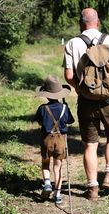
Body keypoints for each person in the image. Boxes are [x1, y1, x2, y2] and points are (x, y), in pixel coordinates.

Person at [62, 8, 109, 201]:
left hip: (87, 101)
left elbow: (69, 76)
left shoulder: (73, 43)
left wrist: (81, 90)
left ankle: (92, 188)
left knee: (90, 144)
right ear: (98, 21)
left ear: (81, 23)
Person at [34, 75, 75, 204]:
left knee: (45, 164)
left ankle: (47, 183)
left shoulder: (42, 108)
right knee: (58, 167)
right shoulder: (64, 108)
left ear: (46, 95)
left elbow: (40, 122)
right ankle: (57, 194)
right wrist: (66, 108)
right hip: (61, 140)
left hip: (46, 139)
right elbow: (70, 121)